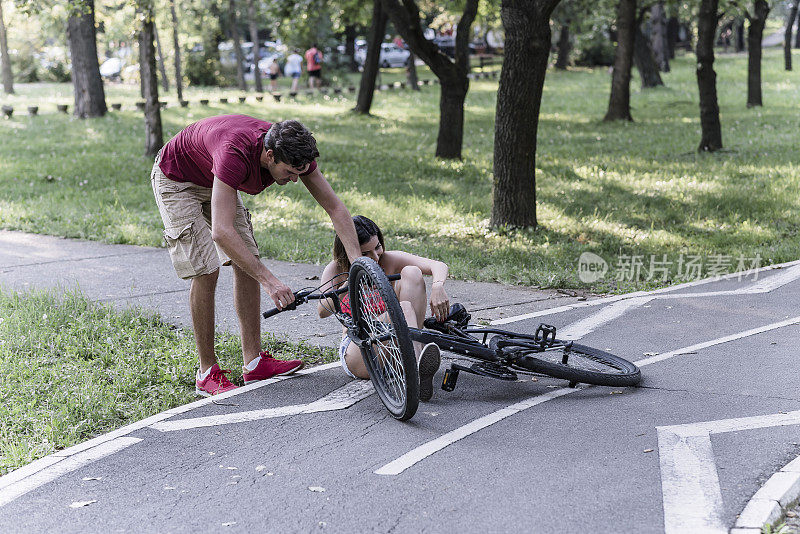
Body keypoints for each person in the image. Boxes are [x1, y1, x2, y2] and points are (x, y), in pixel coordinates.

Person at [151, 115, 362, 397]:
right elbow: (222, 232)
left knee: (247, 260)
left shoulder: (296, 155)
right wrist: (271, 281)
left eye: (301, 172)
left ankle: (254, 363)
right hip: (178, 180)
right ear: (270, 154)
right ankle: (206, 372)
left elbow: (336, 209)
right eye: (289, 172)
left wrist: (361, 264)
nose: (296, 179)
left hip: (215, 178)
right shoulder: (234, 153)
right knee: (206, 269)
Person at [317, 216, 449, 402]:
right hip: (361, 351)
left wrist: (438, 287)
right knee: (402, 309)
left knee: (412, 273)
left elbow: (438, 265)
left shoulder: (388, 259)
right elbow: (322, 311)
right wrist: (351, 279)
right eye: (366, 253)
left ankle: (414, 361)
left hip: (397, 349)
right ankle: (417, 369)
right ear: (349, 251)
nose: (376, 257)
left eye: (377, 247)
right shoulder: (336, 268)